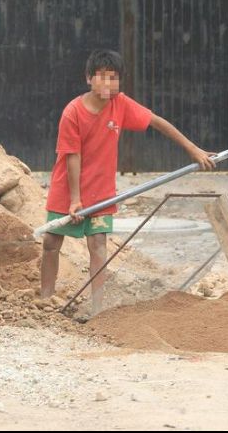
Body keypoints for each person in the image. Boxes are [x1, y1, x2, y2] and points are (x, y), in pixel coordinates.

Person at [40, 49, 216, 317]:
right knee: (51, 242)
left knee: (98, 245)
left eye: (114, 78)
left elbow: (157, 122)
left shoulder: (120, 104)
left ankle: (97, 310)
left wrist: (193, 149)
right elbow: (72, 157)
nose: (108, 83)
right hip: (67, 189)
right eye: (102, 76)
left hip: (101, 193)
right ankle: (45, 299)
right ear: (89, 78)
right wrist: (75, 199)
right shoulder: (72, 112)